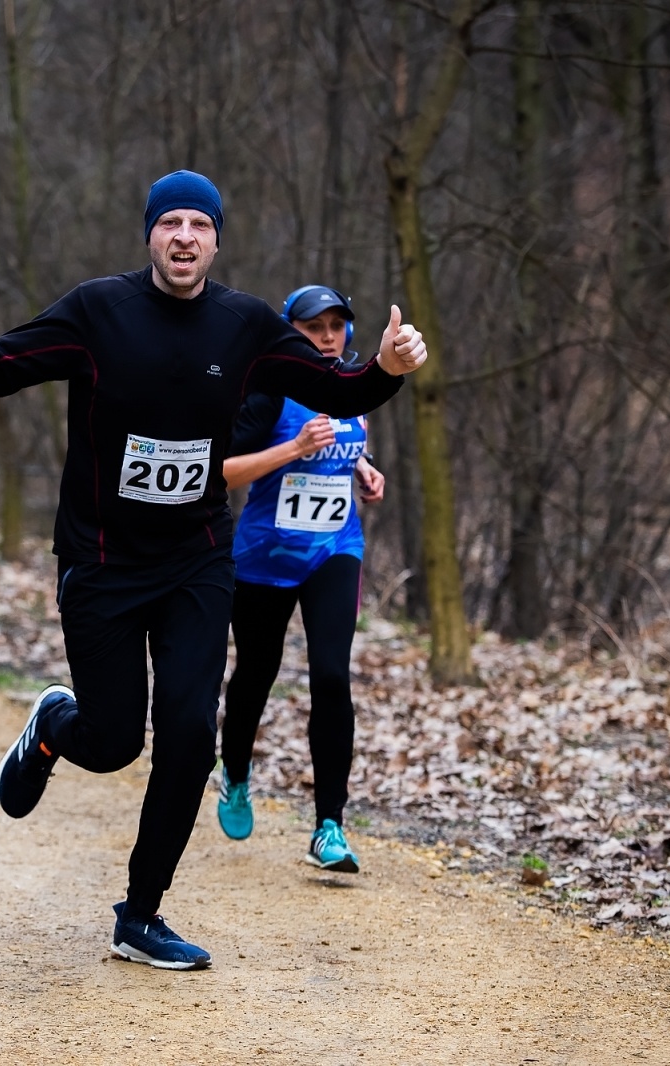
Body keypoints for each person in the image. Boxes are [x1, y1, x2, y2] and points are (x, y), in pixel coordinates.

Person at [0, 170, 427, 970]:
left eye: (199, 224)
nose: (183, 236)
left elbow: (335, 387)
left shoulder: (245, 325)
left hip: (195, 558)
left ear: (216, 241)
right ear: (150, 234)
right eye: (170, 221)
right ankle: (53, 728)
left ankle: (140, 915)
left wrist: (385, 365)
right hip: (103, 560)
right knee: (112, 743)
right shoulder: (98, 310)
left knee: (188, 734)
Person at [215, 285, 388, 874]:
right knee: (256, 674)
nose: (328, 336)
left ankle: (328, 825)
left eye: (337, 325)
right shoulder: (266, 389)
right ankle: (235, 771)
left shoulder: (354, 387)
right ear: (291, 332)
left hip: (335, 550)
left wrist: (362, 468)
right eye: (315, 327)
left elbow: (342, 450)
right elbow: (223, 472)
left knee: (332, 677)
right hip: (264, 557)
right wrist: (293, 448)